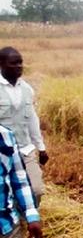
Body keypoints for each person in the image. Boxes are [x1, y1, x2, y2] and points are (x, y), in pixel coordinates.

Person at [0, 47, 48, 205]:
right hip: (3, 153)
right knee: (5, 192)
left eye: (20, 63)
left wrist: (41, 147)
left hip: (25, 149)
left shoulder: (27, 89)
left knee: (37, 190)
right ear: (2, 64)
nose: (19, 66)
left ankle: (29, 219)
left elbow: (32, 119)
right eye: (13, 63)